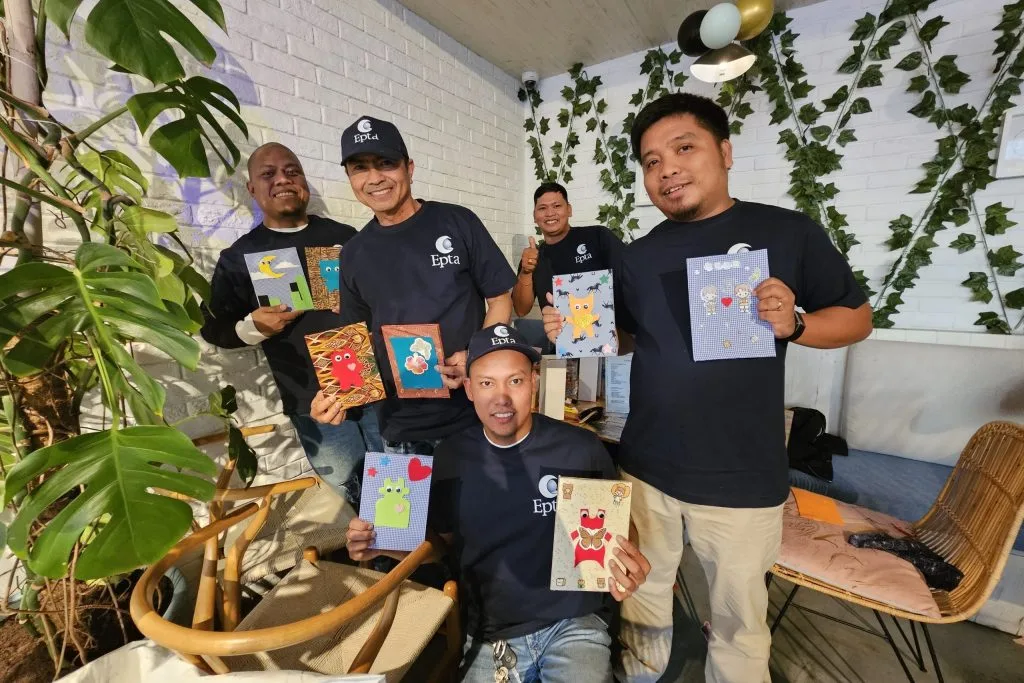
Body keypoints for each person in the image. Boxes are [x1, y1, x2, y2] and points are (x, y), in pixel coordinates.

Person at [543, 93, 873, 683]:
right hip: (646, 468)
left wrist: (795, 323)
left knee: (739, 621)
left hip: (743, 476)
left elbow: (857, 318)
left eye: (683, 148)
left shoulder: (787, 232)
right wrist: (574, 327)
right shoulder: (637, 256)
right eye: (649, 161)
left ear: (724, 151)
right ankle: (640, 675)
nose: (666, 168)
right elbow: (626, 338)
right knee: (641, 597)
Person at [346, 324, 652, 683]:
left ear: (534, 383)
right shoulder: (451, 458)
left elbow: (616, 524)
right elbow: (439, 546)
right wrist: (382, 544)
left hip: (573, 621)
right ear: (471, 389)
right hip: (492, 633)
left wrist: (627, 559)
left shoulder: (579, 448)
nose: (501, 398)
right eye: (487, 383)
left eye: (515, 381)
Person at [311, 116, 515, 457]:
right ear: (350, 178)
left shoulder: (457, 221)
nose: (374, 178)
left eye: (386, 163)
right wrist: (338, 398)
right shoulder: (353, 254)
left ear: (409, 168)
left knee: (481, 509)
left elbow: (500, 298)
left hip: (475, 412)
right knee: (405, 511)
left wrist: (476, 357)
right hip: (401, 428)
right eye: (360, 168)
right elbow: (355, 343)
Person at [201, 143, 382, 503]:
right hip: (313, 401)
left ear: (304, 181)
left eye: (292, 170)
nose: (282, 179)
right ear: (252, 189)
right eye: (268, 174)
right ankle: (380, 557)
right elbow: (213, 327)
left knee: (399, 482)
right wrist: (252, 327)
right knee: (354, 491)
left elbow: (383, 298)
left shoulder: (345, 236)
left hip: (374, 386)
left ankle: (411, 554)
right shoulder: (239, 257)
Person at [512, 182, 624, 317]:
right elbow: (521, 310)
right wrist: (526, 272)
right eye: (542, 208)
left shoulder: (597, 236)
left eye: (557, 206)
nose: (550, 213)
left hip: (610, 332)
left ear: (569, 210)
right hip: (559, 335)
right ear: (535, 216)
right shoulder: (533, 258)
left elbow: (630, 282)